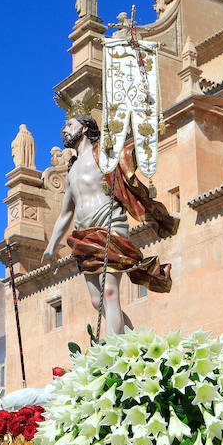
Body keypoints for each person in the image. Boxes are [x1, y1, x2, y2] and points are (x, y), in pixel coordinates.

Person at [41, 111, 179, 337]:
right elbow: (66, 214)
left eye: (69, 125)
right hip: (84, 236)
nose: (64, 130)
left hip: (110, 223)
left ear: (84, 128)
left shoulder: (102, 156)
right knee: (97, 301)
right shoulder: (71, 172)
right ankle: (132, 340)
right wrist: (51, 247)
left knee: (109, 292)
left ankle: (111, 354)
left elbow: (127, 152)